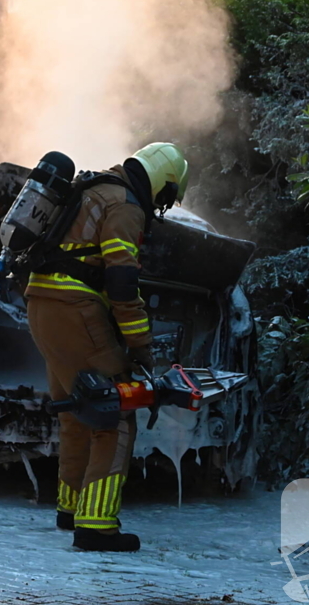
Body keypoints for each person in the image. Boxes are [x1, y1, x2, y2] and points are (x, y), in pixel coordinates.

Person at [25, 142, 189, 552]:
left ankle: (71, 507)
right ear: (161, 181)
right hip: (75, 309)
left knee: (78, 411)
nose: (163, 206)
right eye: (167, 196)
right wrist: (141, 346)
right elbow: (121, 284)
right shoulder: (125, 205)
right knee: (113, 414)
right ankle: (96, 526)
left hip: (42, 305)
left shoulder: (93, 188)